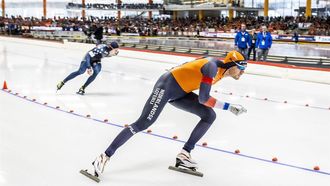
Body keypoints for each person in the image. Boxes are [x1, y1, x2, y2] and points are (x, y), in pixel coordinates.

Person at [82, 50, 248, 180]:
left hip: (181, 92)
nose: (242, 73)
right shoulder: (212, 67)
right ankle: (104, 157)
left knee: (209, 116)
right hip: (166, 86)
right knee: (143, 123)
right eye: (241, 68)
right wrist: (229, 107)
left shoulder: (219, 70)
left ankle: (184, 154)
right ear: (231, 64)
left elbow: (194, 65)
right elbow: (204, 98)